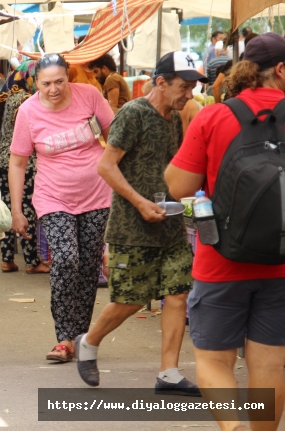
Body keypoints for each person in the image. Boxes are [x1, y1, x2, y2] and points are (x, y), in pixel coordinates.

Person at [165, 32, 285, 431]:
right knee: (270, 362)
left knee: (214, 360)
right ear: (280, 70)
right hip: (282, 264)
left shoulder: (214, 116)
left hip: (221, 259)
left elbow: (179, 186)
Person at [74, 51, 207, 395]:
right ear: (161, 82)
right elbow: (106, 166)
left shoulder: (173, 119)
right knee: (131, 300)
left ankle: (169, 372)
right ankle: (88, 342)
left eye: (192, 88)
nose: (189, 95)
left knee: (177, 295)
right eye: (183, 87)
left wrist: (189, 199)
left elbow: (171, 168)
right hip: (131, 228)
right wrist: (140, 203)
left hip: (170, 224)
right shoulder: (132, 114)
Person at [8, 54, 113, 362]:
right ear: (35, 83)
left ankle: (81, 337)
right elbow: (17, 162)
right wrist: (17, 209)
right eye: (45, 84)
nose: (53, 89)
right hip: (53, 197)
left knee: (87, 267)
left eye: (59, 81)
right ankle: (63, 337)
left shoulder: (90, 96)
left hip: (98, 194)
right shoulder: (28, 112)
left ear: (69, 76)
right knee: (66, 259)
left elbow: (115, 136)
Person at [0, 60, 49, 275]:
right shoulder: (28, 100)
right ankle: (32, 261)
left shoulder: (2, 99)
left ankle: (7, 260)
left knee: (5, 211)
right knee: (27, 211)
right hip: (22, 162)